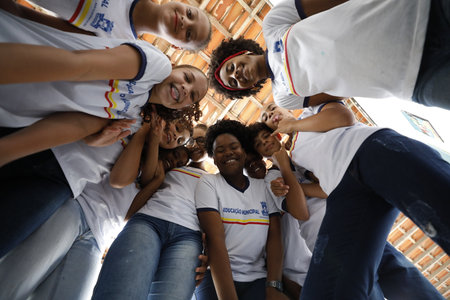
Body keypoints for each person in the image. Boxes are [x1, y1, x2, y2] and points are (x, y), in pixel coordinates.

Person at [256, 101, 449, 299]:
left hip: (357, 199)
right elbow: (307, 205)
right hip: (328, 231)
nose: (270, 115)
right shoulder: (281, 170)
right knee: (364, 289)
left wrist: (299, 186)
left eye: (272, 110)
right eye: (265, 118)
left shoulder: (307, 120)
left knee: (398, 271)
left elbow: (326, 186)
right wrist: (288, 173)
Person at [0, 144, 194, 300]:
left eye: (180, 163)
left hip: (98, 239)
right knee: (15, 281)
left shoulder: (157, 189)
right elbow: (116, 179)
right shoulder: (134, 154)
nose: (174, 160)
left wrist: (156, 181)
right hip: (76, 211)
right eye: (176, 153)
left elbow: (129, 216)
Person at [209, 0, 450, 111]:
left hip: (416, 13)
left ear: (239, 53)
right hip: (414, 82)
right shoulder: (285, 99)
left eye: (231, 68)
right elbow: (341, 91)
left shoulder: (273, 25)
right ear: (246, 88)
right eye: (233, 83)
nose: (237, 74)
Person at [91, 124, 210, 300]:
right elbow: (131, 211)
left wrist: (209, 256)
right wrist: (158, 179)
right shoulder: (171, 164)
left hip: (189, 236)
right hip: (149, 221)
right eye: (193, 140)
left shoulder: (215, 180)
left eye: (203, 142)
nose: (197, 145)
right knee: (122, 291)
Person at [194, 120, 286, 300]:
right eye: (220, 150)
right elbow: (215, 240)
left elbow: (275, 237)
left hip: (258, 279)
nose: (228, 152)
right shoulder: (209, 183)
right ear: (213, 158)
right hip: (216, 278)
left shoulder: (263, 187)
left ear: (244, 151)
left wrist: (273, 285)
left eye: (234, 147)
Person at [27, 0, 212, 50]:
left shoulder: (119, 45)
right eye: (190, 14)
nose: (184, 21)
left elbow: (42, 24)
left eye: (189, 34)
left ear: (176, 46)